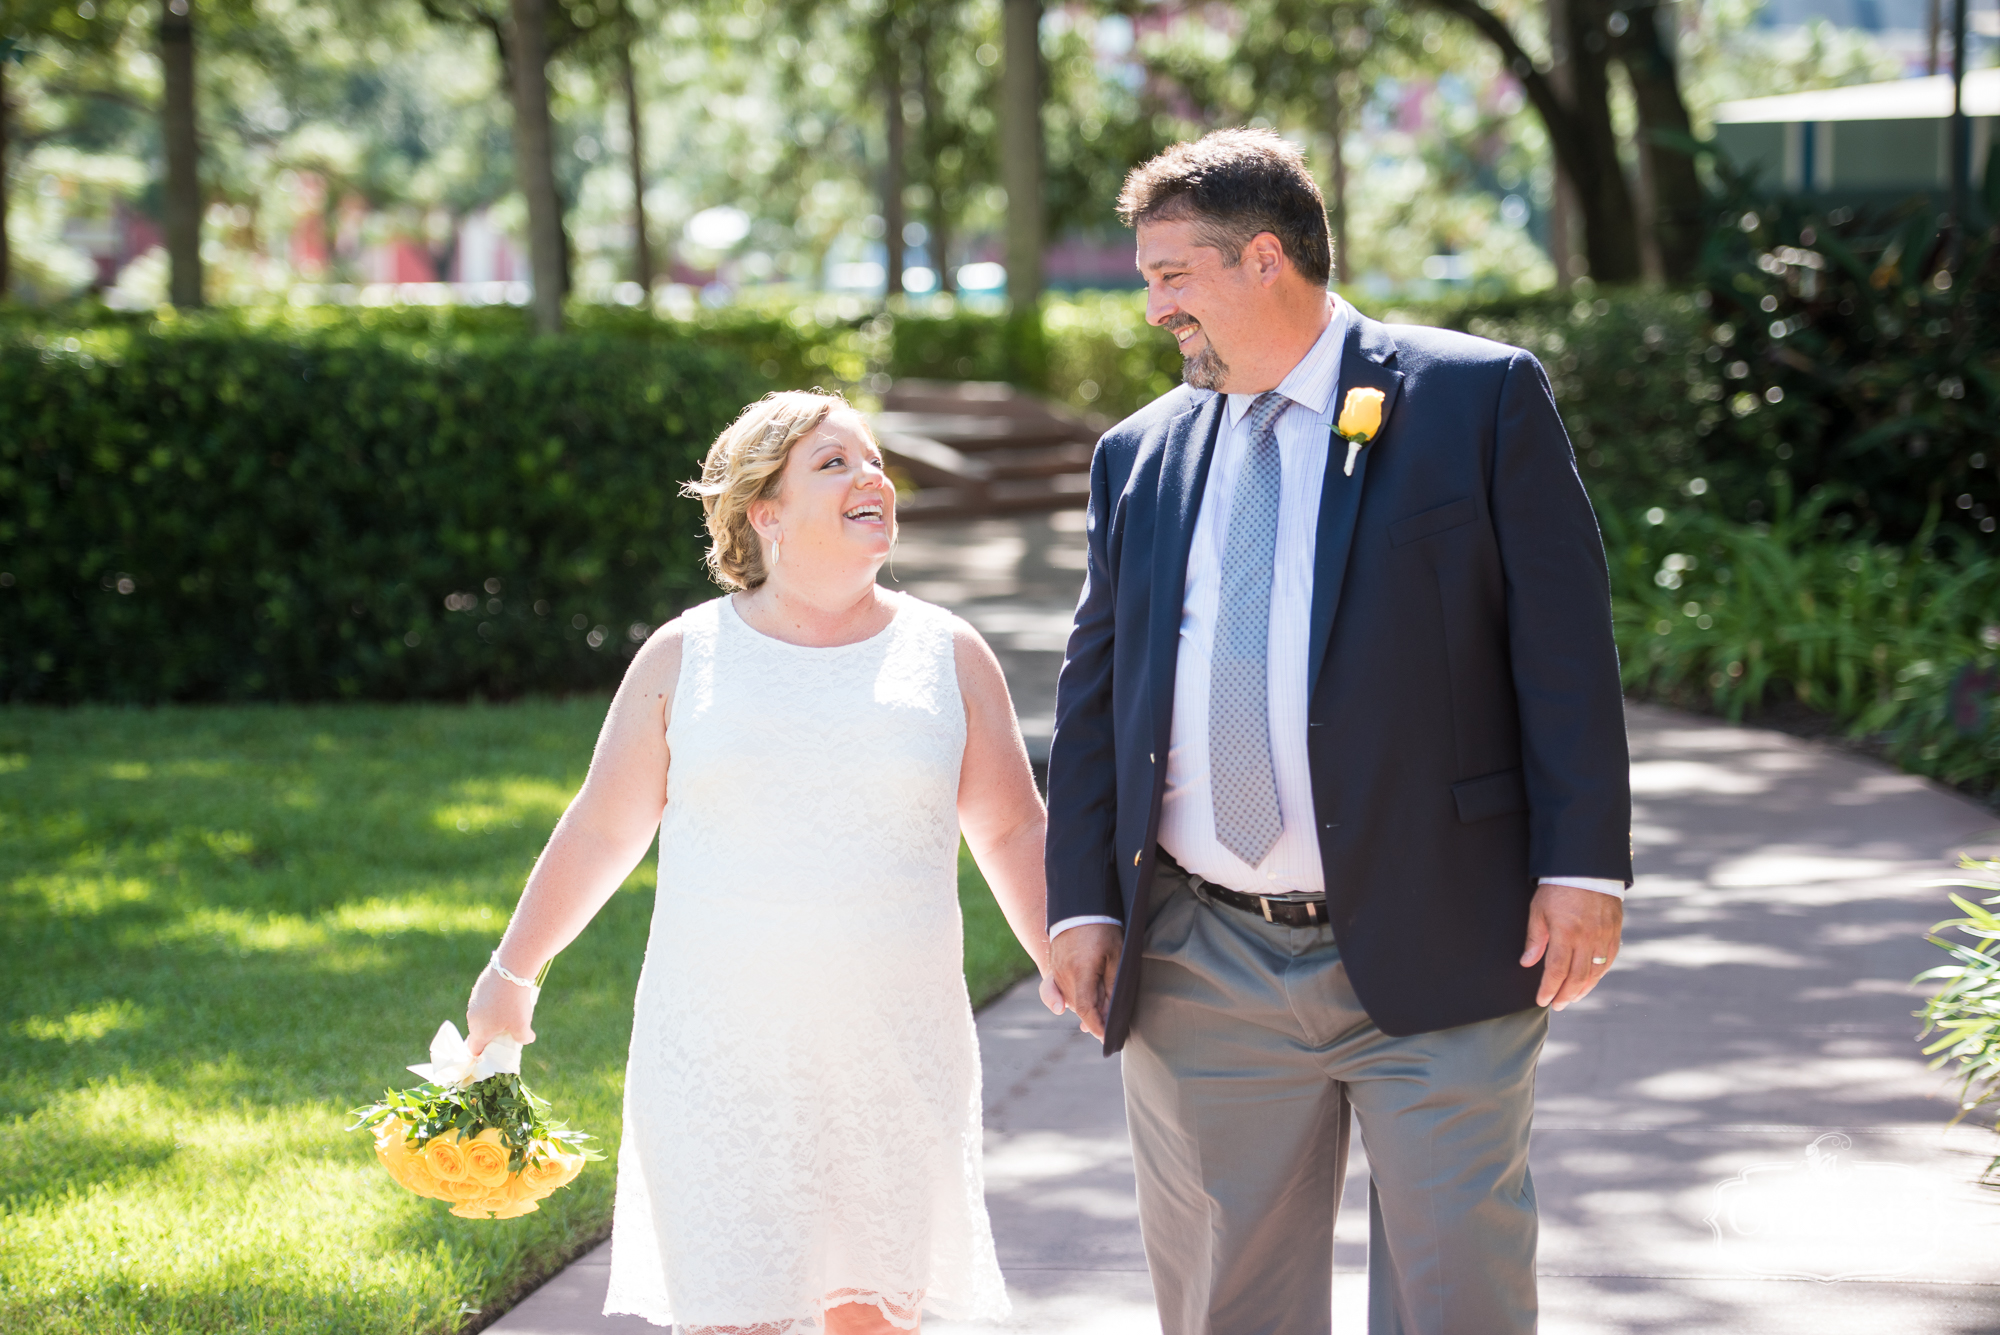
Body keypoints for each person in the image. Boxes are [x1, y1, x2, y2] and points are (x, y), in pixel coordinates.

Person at [1043, 130, 1633, 1335]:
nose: (1153, 309)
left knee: (1455, 1295)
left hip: (1445, 932)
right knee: (1225, 1304)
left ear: (1264, 259)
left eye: (1170, 275)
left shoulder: (1473, 398)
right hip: (1199, 959)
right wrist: (1084, 902)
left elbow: (1562, 652)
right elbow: (1097, 691)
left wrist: (1581, 867)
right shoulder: (1138, 455)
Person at [465, 390, 1058, 1335]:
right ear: (764, 512)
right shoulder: (686, 655)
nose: (872, 476)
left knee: (875, 1314)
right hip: (720, 1056)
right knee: (736, 1315)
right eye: (833, 462)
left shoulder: (947, 653)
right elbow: (602, 828)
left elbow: (1014, 830)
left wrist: (1060, 952)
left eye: (873, 461)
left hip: (892, 1052)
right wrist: (513, 971)